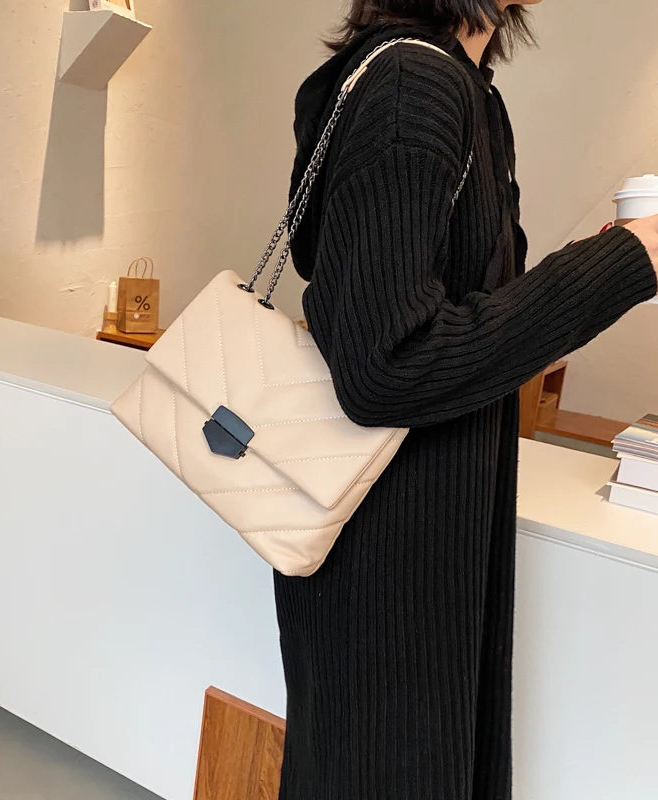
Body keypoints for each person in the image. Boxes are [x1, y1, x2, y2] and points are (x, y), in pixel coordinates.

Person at [273, 2, 658, 798]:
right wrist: (625, 262)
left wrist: (581, 276)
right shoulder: (415, 85)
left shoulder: (456, 86)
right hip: (390, 567)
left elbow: (446, 329)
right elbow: (385, 366)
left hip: (413, 547)